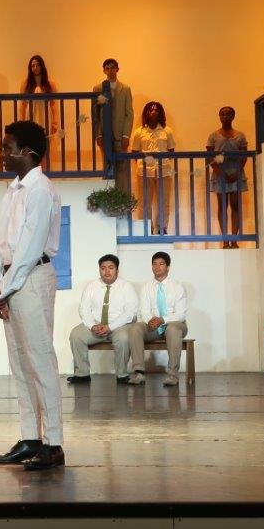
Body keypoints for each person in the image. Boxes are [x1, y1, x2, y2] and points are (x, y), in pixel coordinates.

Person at [0, 121, 63, 471]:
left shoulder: (41, 190)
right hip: (11, 281)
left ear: (27, 152)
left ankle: (54, 443)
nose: (3, 153)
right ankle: (31, 437)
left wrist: (3, 288)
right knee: (19, 362)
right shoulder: (13, 189)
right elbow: (0, 243)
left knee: (40, 360)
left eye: (8, 147)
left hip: (31, 279)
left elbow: (30, 249)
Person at [68, 254, 139, 384]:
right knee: (76, 335)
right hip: (96, 326)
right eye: (103, 268)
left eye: (111, 268)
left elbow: (130, 313)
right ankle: (82, 374)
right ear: (99, 270)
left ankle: (122, 374)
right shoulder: (91, 286)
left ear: (117, 270)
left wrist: (109, 327)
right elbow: (84, 309)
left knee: (123, 338)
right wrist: (92, 326)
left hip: (119, 326)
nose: (107, 271)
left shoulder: (126, 286)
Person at [129, 251, 189, 385]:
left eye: (161, 264)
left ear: (168, 267)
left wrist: (162, 320)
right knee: (136, 328)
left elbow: (180, 314)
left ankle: (173, 375)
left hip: (175, 324)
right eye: (154, 264)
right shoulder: (146, 287)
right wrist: (150, 320)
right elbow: (144, 310)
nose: (157, 267)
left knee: (173, 329)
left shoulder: (177, 286)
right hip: (152, 326)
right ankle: (139, 372)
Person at [130, 102, 176, 236]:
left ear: (160, 113)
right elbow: (134, 152)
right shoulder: (139, 132)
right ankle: (146, 228)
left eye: (156, 110)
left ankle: (162, 228)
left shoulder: (167, 130)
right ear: (146, 113)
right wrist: (144, 162)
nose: (153, 111)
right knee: (145, 202)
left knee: (164, 201)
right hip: (144, 171)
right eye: (150, 109)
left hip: (164, 171)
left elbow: (172, 150)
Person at [206, 106, 248, 248]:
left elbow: (244, 156)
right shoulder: (213, 136)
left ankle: (234, 240)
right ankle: (225, 239)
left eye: (228, 114)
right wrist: (220, 172)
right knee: (222, 206)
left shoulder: (240, 135)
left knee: (235, 205)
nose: (225, 117)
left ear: (233, 116)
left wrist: (237, 172)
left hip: (236, 173)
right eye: (223, 114)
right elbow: (209, 156)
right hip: (220, 173)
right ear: (219, 116)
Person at [92, 58, 133, 190]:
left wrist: (126, 135)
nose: (110, 70)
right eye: (107, 68)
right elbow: (95, 114)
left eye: (113, 67)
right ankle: (109, 197)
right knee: (107, 164)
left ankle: (122, 198)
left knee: (122, 167)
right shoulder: (98, 88)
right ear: (104, 70)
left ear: (117, 69)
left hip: (121, 135)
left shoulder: (125, 89)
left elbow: (129, 113)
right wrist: (98, 135)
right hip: (105, 134)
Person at [19, 55, 59, 155]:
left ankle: (44, 170)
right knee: (31, 150)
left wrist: (55, 121)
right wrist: (22, 122)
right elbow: (23, 105)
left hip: (45, 118)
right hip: (30, 118)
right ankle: (34, 170)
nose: (35, 68)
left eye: (38, 65)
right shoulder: (25, 83)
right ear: (30, 68)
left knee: (44, 149)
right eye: (33, 66)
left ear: (42, 66)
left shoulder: (50, 83)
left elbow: (53, 104)